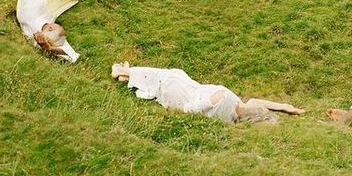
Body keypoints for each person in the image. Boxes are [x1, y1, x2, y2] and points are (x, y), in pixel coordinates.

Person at [110, 63, 305, 124]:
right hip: (191, 87)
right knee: (172, 74)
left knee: (166, 76)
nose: (259, 103)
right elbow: (257, 101)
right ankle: (128, 76)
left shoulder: (223, 102)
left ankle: (121, 71)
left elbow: (192, 109)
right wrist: (285, 107)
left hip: (184, 94)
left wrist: (178, 110)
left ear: (252, 112)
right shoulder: (238, 109)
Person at [16, 0, 81, 62]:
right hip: (48, 7)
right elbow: (73, 56)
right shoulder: (44, 37)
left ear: (51, 28)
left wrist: (48, 47)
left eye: (58, 25)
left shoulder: (31, 13)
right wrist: (49, 48)